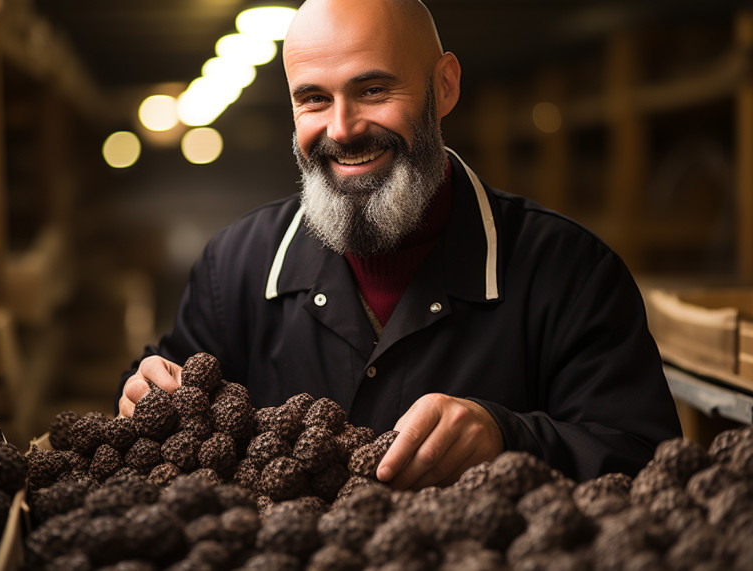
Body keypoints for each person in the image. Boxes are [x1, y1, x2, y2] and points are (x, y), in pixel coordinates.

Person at [116, 0, 681, 487]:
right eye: (313, 98)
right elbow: (164, 411)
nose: (342, 128)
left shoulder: (571, 272)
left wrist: (509, 438)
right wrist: (144, 396)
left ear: (444, 86)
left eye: (373, 89)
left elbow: (646, 461)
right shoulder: (233, 267)